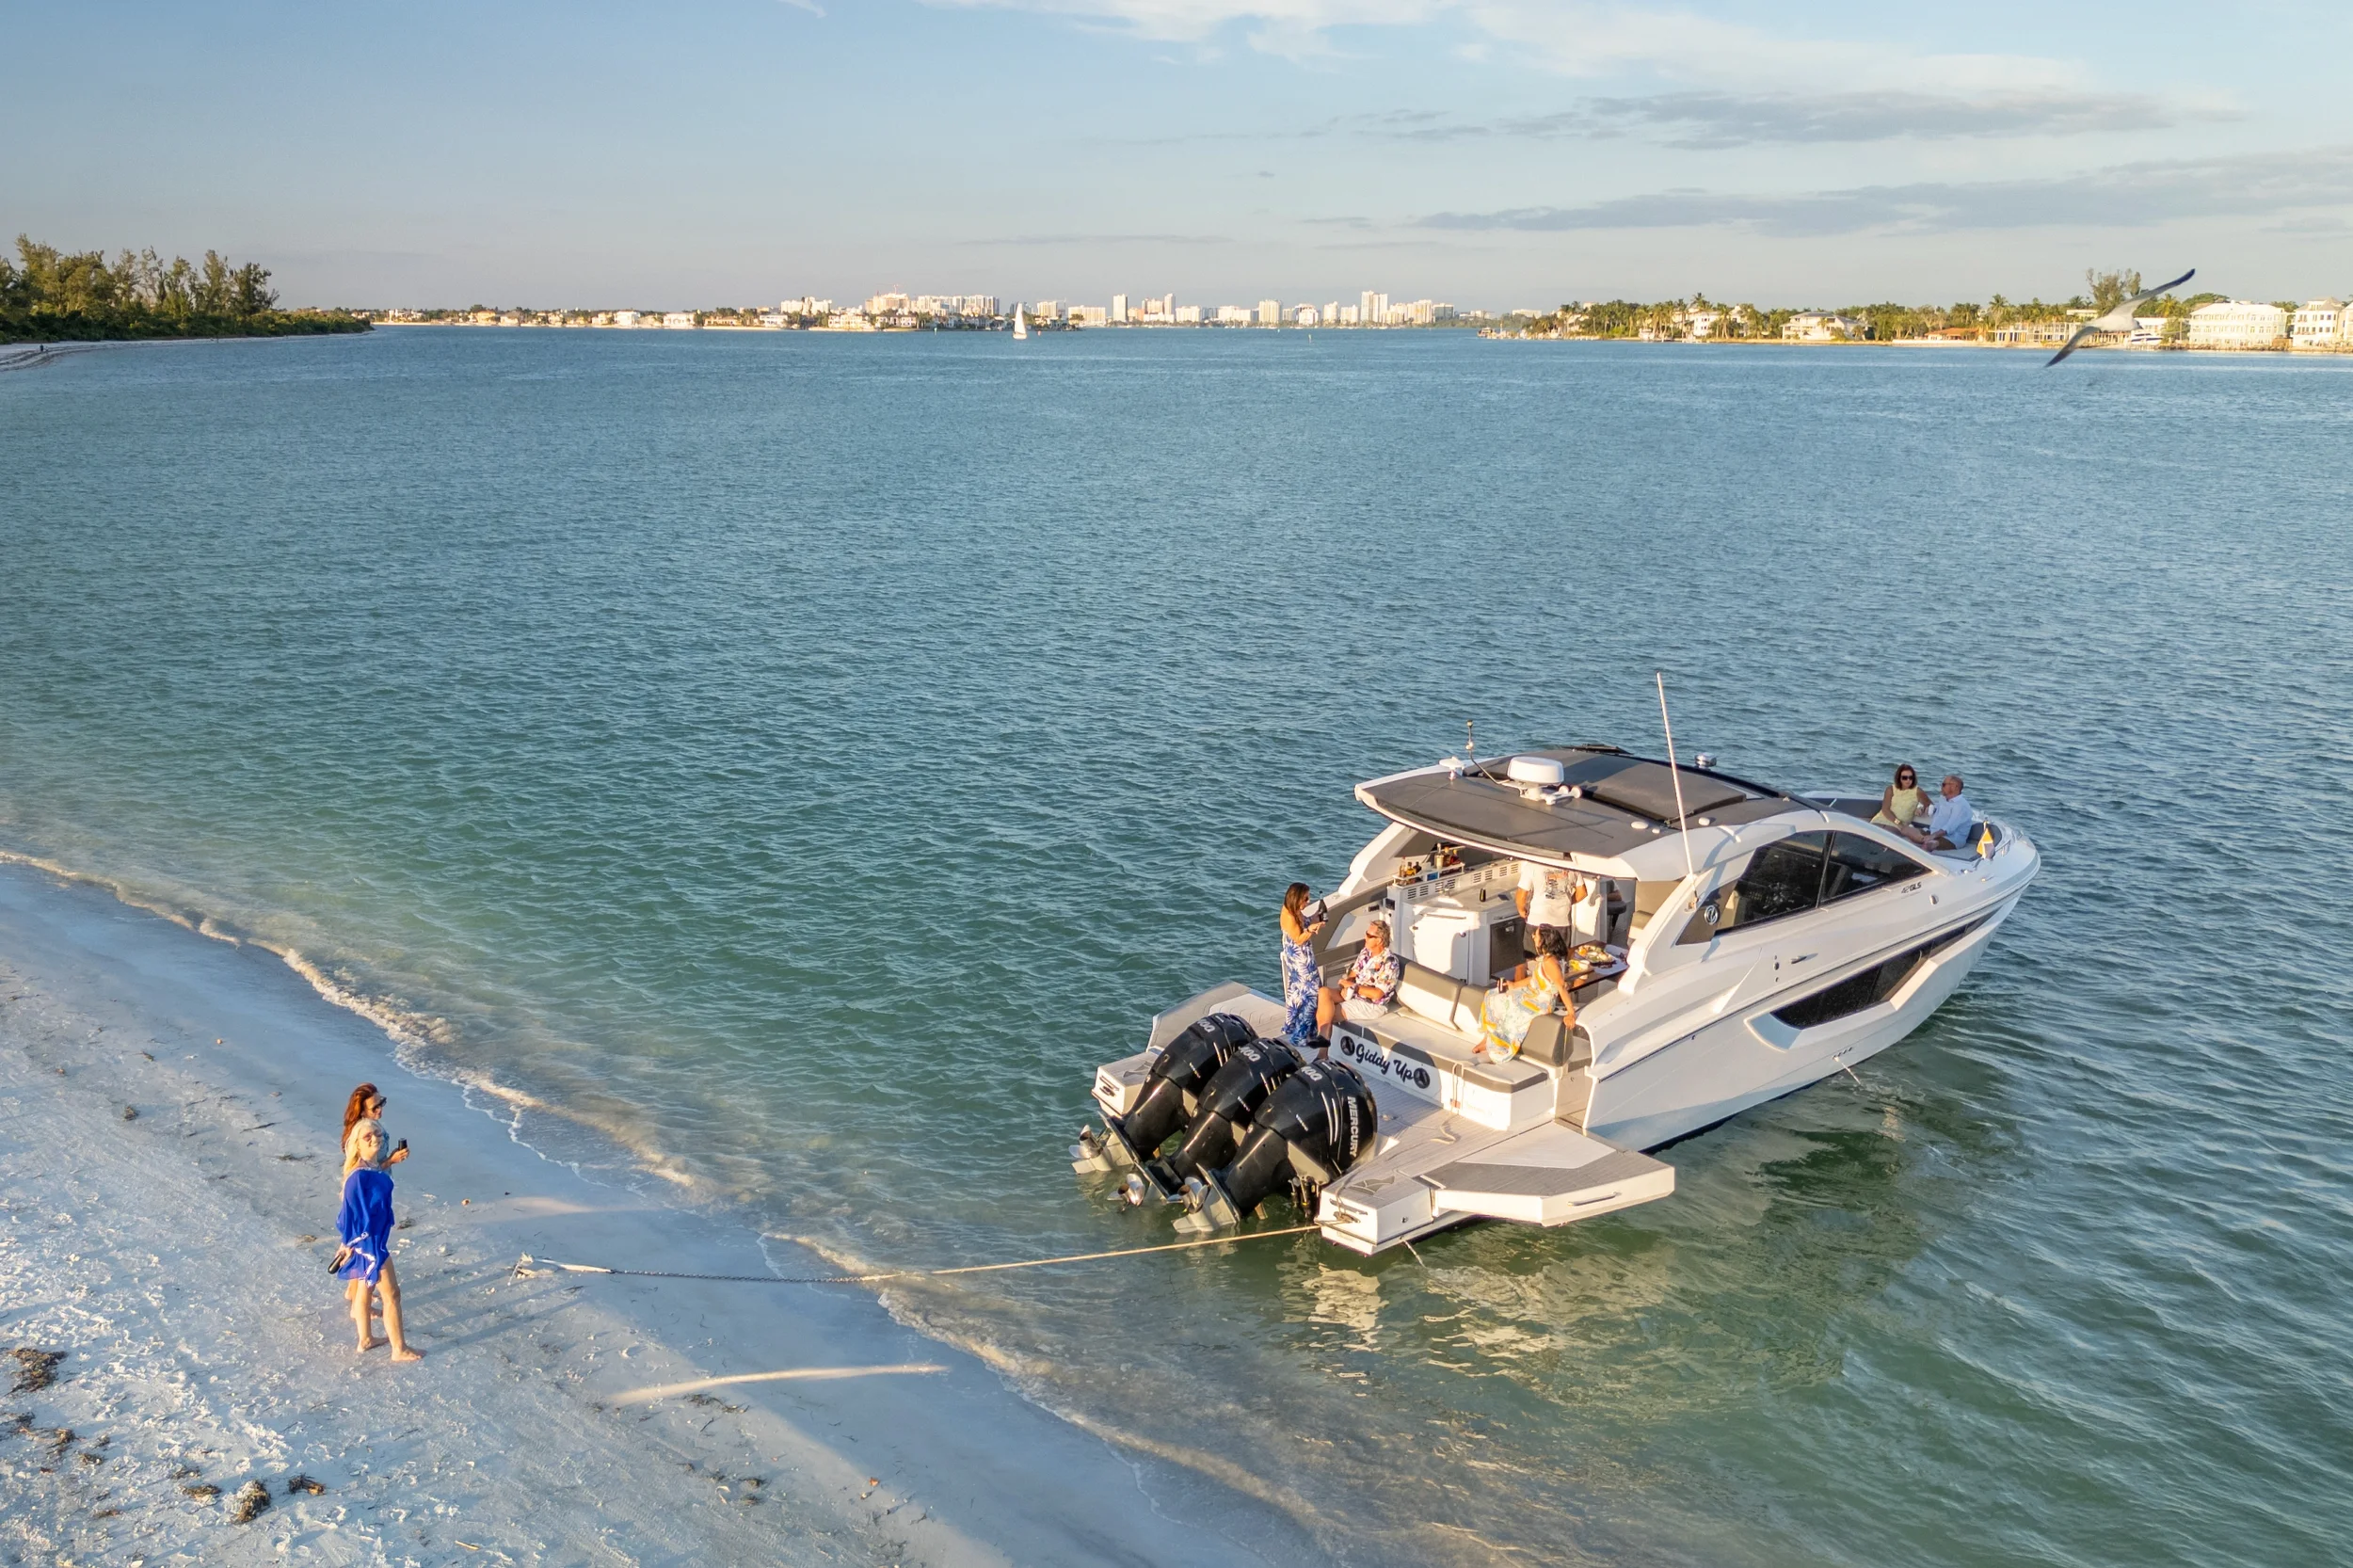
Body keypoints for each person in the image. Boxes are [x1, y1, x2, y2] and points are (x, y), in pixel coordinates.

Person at [334, 1118, 421, 1362]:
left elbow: (373, 1178)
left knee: (364, 1288)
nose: (375, 1138)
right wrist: (350, 1243)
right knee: (392, 1295)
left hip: (370, 1241)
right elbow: (347, 1214)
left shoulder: (370, 1169)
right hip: (370, 1244)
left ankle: (365, 1339)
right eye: (367, 1136)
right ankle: (399, 1349)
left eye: (378, 1134)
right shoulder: (357, 1177)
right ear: (357, 1145)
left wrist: (391, 1161)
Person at [1479, 929, 1574, 1060]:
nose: (1533, 936)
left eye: (1536, 935)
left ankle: (1501, 1044)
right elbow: (1535, 977)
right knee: (1492, 995)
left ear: (1543, 941)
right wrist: (1514, 985)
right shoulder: (1545, 959)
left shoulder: (1550, 963)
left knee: (1513, 1005)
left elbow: (1561, 987)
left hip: (1542, 1001)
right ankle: (1488, 1038)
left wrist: (1571, 1013)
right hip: (1531, 993)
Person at [1317, 919, 1401, 1032]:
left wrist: (1353, 986)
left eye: (1369, 935)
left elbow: (1377, 994)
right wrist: (1345, 986)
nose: (1365, 938)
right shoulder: (1366, 952)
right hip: (1354, 994)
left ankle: (1322, 1047)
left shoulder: (1389, 962)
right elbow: (1354, 973)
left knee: (1327, 1014)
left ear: (1379, 940)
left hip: (1371, 1004)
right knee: (1323, 992)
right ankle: (1323, 1042)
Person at [1278, 883, 1326, 1049]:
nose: (1308, 901)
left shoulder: (1294, 911)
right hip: (1301, 961)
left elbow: (1305, 923)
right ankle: (1301, 1035)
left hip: (1301, 958)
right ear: (1297, 898)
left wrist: (1315, 919)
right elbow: (1298, 939)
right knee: (1312, 994)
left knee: (1299, 991)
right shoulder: (1289, 916)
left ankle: (1298, 1028)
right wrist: (1312, 930)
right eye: (1305, 898)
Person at [1515, 859, 1588, 952]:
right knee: (1560, 960)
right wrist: (1568, 901)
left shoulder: (1533, 865)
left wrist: (1522, 911)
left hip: (1537, 921)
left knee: (1533, 960)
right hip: (1562, 923)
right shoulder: (1572, 866)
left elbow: (1521, 894)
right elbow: (1582, 893)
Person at [341, 1083, 409, 1167]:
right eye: (374, 1108)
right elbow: (363, 1173)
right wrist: (391, 1161)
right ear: (361, 1111)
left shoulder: (372, 1123)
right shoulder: (362, 1136)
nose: (380, 1109)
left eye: (381, 1103)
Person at [1872, 764, 1930, 845]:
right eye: (1904, 778)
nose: (1908, 780)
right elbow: (1885, 810)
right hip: (1883, 820)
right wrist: (1899, 824)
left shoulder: (1918, 791)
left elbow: (1929, 804)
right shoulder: (1890, 789)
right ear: (1899, 778)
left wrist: (1920, 807)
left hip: (1898, 827)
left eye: (1911, 777)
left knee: (1883, 839)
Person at [1924, 774, 1976, 851]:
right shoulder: (1943, 799)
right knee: (1906, 830)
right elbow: (1935, 809)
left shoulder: (1961, 805)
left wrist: (1932, 836)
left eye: (1944, 784)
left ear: (1955, 787)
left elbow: (1949, 828)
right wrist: (1924, 808)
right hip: (1935, 833)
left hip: (1952, 839)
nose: (1941, 787)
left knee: (1929, 844)